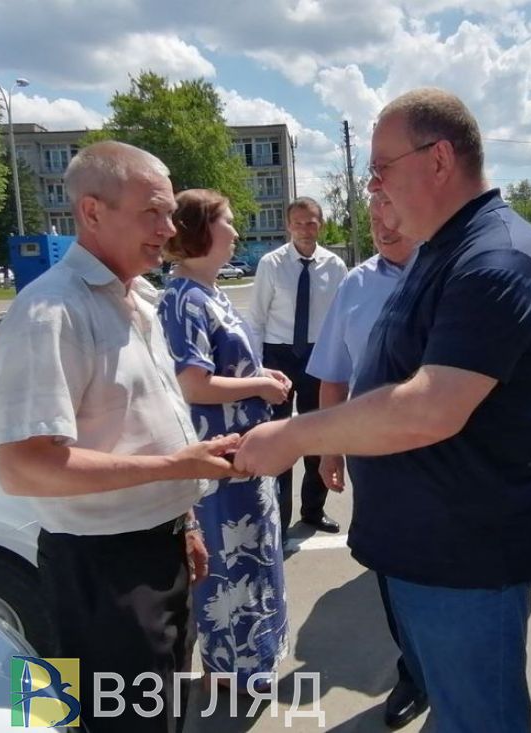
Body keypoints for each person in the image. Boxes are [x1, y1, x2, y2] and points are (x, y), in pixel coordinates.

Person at [234, 88, 531, 732]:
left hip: (468, 560)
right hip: (428, 549)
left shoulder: (495, 258)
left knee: (479, 720)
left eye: (382, 168)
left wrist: (294, 436)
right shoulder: (443, 249)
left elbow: (429, 409)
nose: (374, 187)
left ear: (439, 159)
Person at [0, 141, 242, 733]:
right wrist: (175, 469)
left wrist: (183, 523)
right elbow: (25, 468)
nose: (168, 228)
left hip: (157, 550)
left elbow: (137, 425)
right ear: (91, 211)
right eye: (151, 212)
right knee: (119, 723)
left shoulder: (142, 299)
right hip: (101, 572)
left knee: (164, 713)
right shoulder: (51, 311)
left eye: (171, 213)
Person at [157, 188, 290, 693]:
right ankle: (229, 671)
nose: (235, 232)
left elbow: (223, 367)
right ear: (199, 231)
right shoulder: (183, 298)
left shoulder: (208, 293)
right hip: (219, 465)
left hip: (242, 459)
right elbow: (193, 383)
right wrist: (257, 384)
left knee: (253, 557)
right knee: (228, 568)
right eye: (227, 222)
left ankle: (250, 662)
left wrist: (259, 372)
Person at [305, 198, 424, 729]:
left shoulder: (451, 270)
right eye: (372, 218)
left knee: (449, 569)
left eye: (391, 214)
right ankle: (416, 672)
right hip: (374, 456)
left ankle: (452, 670)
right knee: (392, 567)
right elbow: (333, 375)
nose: (380, 226)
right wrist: (330, 448)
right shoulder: (355, 283)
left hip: (445, 455)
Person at [249, 197, 347, 537]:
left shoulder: (335, 266)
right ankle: (278, 514)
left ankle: (313, 510)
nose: (306, 229)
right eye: (299, 222)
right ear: (288, 226)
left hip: (318, 358)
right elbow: (258, 318)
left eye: (312, 222)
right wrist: (258, 368)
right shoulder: (271, 264)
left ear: (321, 224)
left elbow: (341, 318)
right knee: (279, 438)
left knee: (315, 435)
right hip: (278, 357)